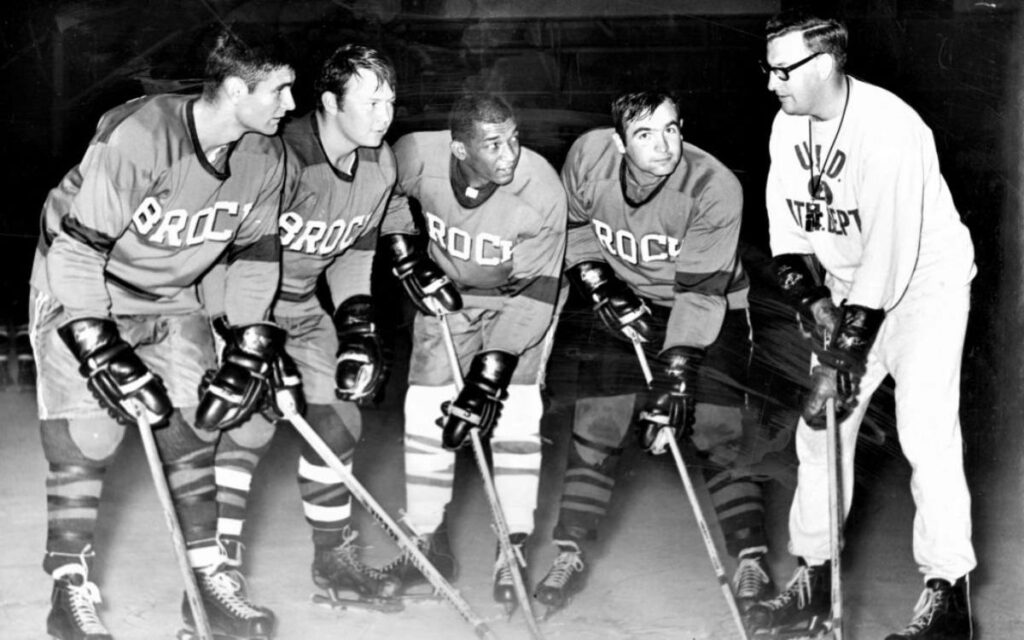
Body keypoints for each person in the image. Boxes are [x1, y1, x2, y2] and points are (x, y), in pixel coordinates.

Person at [28, 25, 295, 640]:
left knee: (196, 427)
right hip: (81, 278)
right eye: (279, 91)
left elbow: (255, 258)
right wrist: (98, 344)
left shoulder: (264, 154)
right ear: (234, 89)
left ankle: (206, 579)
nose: (289, 105)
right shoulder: (142, 136)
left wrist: (250, 339)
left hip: (174, 293)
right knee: (89, 434)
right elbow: (76, 249)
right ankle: (68, 589)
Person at [747, 10, 977, 639]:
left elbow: (890, 260)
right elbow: (787, 234)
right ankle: (813, 581)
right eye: (767, 69)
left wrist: (840, 361)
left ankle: (946, 598)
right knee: (818, 431)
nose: (771, 83)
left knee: (925, 432)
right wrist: (811, 301)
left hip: (922, 285)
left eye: (781, 70)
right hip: (852, 287)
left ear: (824, 65)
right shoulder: (788, 125)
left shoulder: (891, 129)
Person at [531, 90, 782, 619]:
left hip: (709, 304)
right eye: (645, 134)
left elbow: (700, 293)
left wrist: (676, 373)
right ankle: (570, 553)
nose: (664, 145)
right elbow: (574, 225)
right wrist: (598, 282)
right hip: (627, 299)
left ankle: (751, 561)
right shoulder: (589, 157)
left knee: (717, 430)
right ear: (619, 142)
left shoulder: (714, 186)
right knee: (598, 420)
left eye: (672, 129)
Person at [205, 44, 403, 610]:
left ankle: (332, 560)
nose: (384, 115)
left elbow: (350, 249)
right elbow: (217, 248)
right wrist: (237, 332)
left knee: (340, 423)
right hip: (239, 301)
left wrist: (358, 320)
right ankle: (220, 562)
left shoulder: (379, 162)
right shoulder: (275, 153)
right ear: (329, 103)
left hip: (300, 306)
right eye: (370, 102)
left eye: (391, 101)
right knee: (249, 423)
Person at [378, 92, 567, 613]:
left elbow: (538, 293)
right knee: (425, 412)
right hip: (451, 297)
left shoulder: (541, 186)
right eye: (493, 144)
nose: (509, 154)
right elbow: (382, 189)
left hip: (520, 299)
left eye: (514, 139)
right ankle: (425, 539)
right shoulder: (416, 153)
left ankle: (513, 546)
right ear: (458, 149)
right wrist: (405, 251)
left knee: (516, 415)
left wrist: (490, 374)